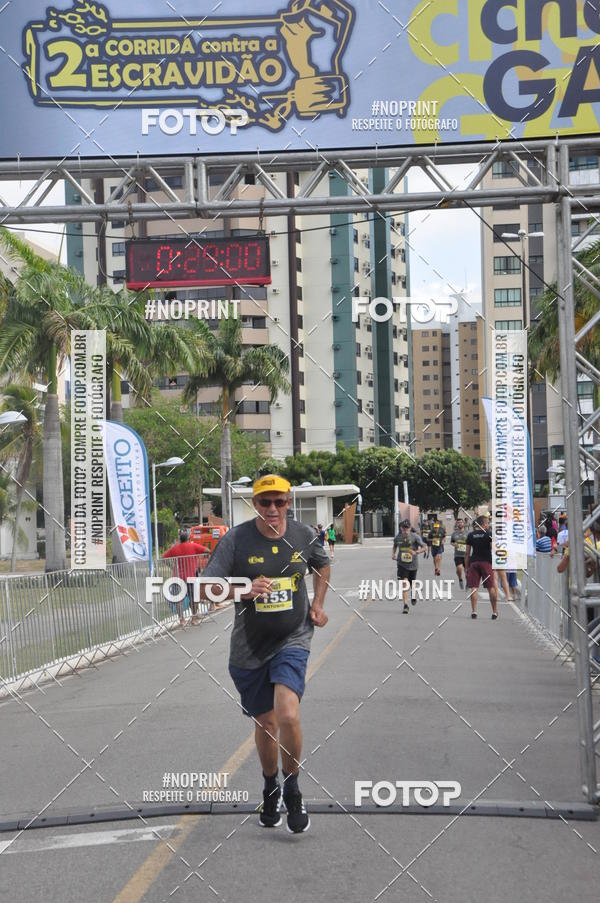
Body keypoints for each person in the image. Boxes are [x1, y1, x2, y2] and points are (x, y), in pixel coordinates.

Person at [199, 474, 330, 834]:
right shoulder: (236, 540)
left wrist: (317, 604)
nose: (272, 509)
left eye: (279, 502)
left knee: (287, 712)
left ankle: (292, 787)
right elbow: (206, 587)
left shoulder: (304, 535)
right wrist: (243, 589)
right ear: (254, 504)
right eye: (264, 502)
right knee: (266, 723)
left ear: (289, 501)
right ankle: (270, 784)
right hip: (249, 648)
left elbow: (322, 564)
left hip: (293, 637)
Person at [162, 530, 209, 626]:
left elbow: (163, 558)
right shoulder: (193, 546)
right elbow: (207, 550)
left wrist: (171, 566)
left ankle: (182, 620)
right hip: (190, 576)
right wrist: (203, 555)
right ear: (188, 538)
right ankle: (194, 619)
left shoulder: (175, 548)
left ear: (180, 539)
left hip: (178, 576)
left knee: (178, 599)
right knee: (193, 598)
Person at [464, 515, 498, 620]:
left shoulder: (471, 535)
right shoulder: (489, 534)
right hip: (486, 563)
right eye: (487, 523)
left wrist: (466, 567)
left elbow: (467, 553)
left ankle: (474, 611)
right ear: (483, 524)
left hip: (474, 563)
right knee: (490, 587)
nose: (488, 524)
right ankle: (494, 612)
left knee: (474, 588)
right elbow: (494, 549)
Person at [392, 519, 427, 613]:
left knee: (412, 584)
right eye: (403, 528)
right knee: (404, 583)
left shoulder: (415, 537)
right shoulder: (398, 537)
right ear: (401, 528)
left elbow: (425, 547)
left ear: (410, 528)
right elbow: (395, 545)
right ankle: (405, 605)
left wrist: (417, 552)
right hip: (401, 564)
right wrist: (394, 554)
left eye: (407, 528)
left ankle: (413, 595)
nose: (405, 529)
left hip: (413, 564)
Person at [450, 517, 468, 589]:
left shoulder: (468, 533)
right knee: (459, 568)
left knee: (467, 572)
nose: (460, 524)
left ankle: (468, 583)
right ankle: (460, 579)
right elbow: (452, 542)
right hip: (458, 555)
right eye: (458, 523)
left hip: (467, 555)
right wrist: (454, 544)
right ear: (457, 524)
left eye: (461, 522)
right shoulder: (454, 534)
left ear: (463, 523)